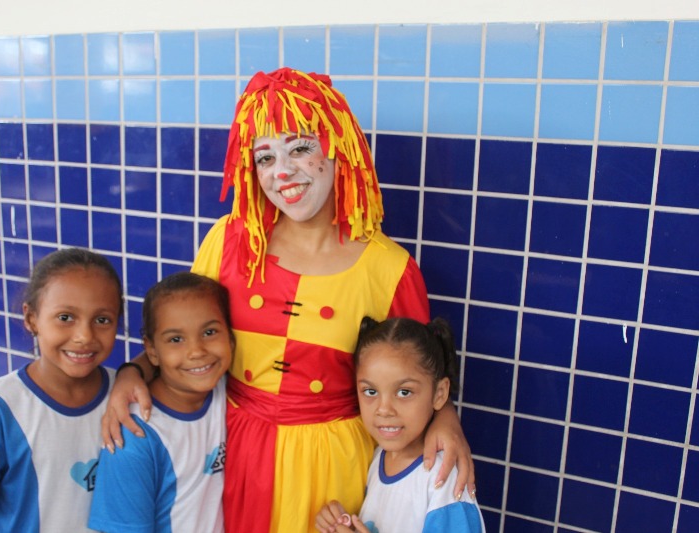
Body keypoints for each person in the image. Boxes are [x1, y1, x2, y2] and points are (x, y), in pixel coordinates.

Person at [102, 67, 475, 533]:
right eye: (264, 157)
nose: (282, 173)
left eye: (300, 147)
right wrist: (132, 371)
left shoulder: (390, 267)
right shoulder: (227, 242)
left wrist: (445, 420)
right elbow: (182, 340)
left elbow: (420, 373)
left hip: (336, 467)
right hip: (228, 454)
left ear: (338, 147)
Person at [0, 248, 123, 532]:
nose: (84, 336)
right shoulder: (0, 406)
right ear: (31, 317)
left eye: (102, 320)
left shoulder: (124, 396)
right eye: (65, 317)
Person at [89, 272, 232, 532]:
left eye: (210, 332)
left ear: (231, 337)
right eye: (176, 339)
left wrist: (132, 370)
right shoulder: (135, 436)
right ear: (152, 350)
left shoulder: (226, 389)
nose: (197, 351)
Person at [315, 317, 485, 533]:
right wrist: (342, 523)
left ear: (439, 394)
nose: (384, 409)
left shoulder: (443, 480)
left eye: (404, 392)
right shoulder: (379, 458)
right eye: (370, 392)